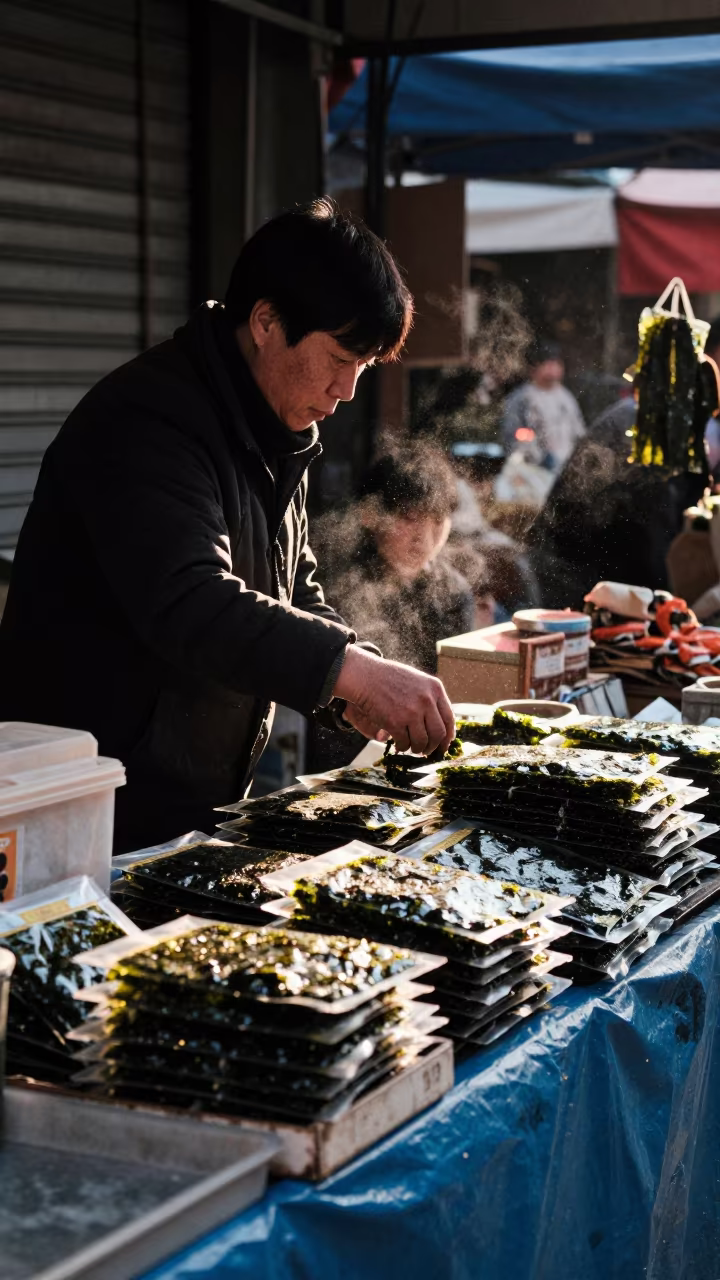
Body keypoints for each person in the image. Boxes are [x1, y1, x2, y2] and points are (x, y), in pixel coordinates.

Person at [0, 198, 455, 852]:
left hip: (187, 808)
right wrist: (349, 670)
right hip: (82, 809)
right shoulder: (149, 420)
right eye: (339, 357)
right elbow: (191, 601)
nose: (348, 389)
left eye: (364, 366)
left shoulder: (278, 426)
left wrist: (356, 686)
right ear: (267, 322)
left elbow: (293, 591)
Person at [317, 445, 475, 674]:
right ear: (369, 513)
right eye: (411, 518)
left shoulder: (453, 592)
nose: (425, 538)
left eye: (439, 520)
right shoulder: (334, 584)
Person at [501, 339, 585, 472]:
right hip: (535, 471)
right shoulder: (521, 398)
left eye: (556, 363)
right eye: (547, 363)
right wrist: (537, 457)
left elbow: (578, 431)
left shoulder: (566, 397)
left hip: (566, 467)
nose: (553, 367)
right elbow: (513, 436)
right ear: (533, 368)